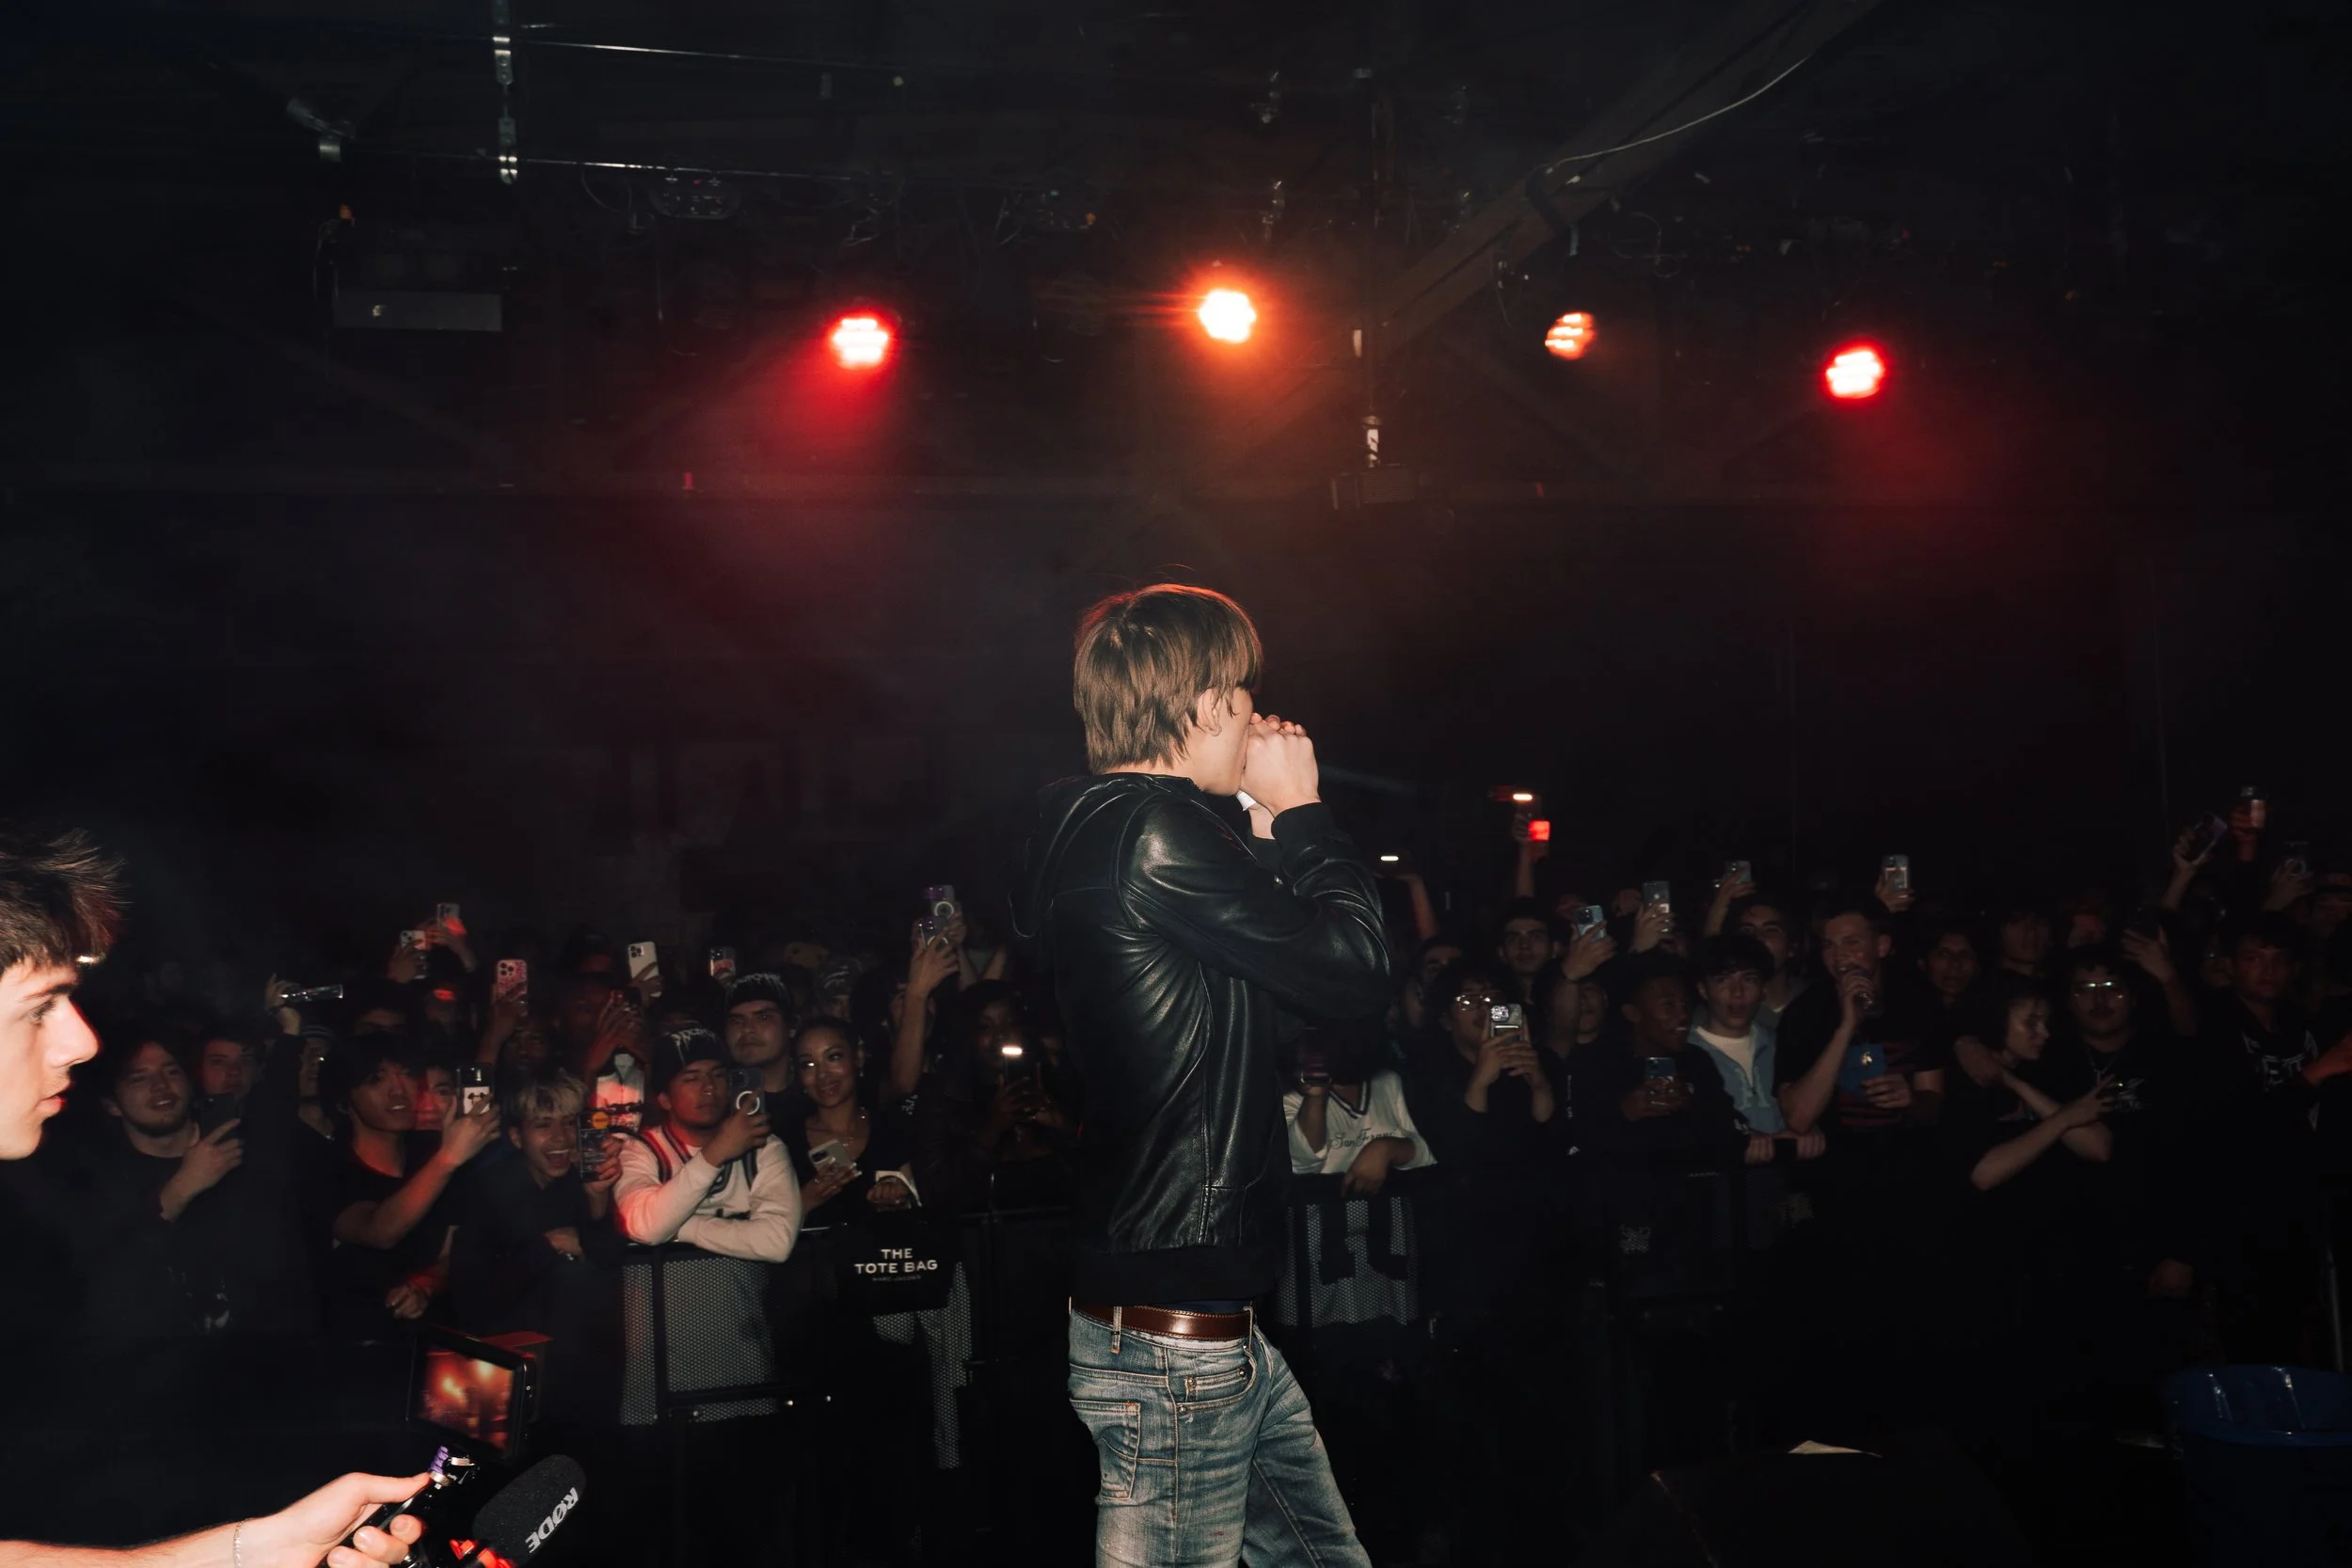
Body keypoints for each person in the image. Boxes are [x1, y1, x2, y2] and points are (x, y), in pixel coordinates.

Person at [1011, 584, 1389, 1568]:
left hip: (1202, 1325)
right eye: (1242, 691)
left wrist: (1265, 837)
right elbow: (1353, 975)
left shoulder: (1123, 830)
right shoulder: (1151, 833)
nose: (1258, 715)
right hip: (1174, 1339)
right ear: (1201, 702)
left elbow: (1284, 987)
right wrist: (1304, 811)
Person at [0, 826, 429, 1568]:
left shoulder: (233, 1143)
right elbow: (91, 1288)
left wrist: (251, 1550)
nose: (80, 1040)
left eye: (172, 1071)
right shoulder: (77, 1177)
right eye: (41, 1006)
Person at [56, 1032, 315, 1335]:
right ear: (112, 1104)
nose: (161, 1086)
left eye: (171, 1071)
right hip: (172, 1369)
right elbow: (104, 1283)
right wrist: (184, 1186)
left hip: (269, 1361)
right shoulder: (99, 1182)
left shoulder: (245, 1150)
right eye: (139, 1078)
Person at [314, 1034, 501, 1336]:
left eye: (407, 1076)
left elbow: (454, 1253)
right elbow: (379, 1231)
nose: (398, 1091)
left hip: (438, 1342)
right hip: (355, 1344)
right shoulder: (327, 1167)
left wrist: (425, 1285)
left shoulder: (432, 1151)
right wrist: (448, 1159)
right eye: (377, 1080)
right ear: (345, 1100)